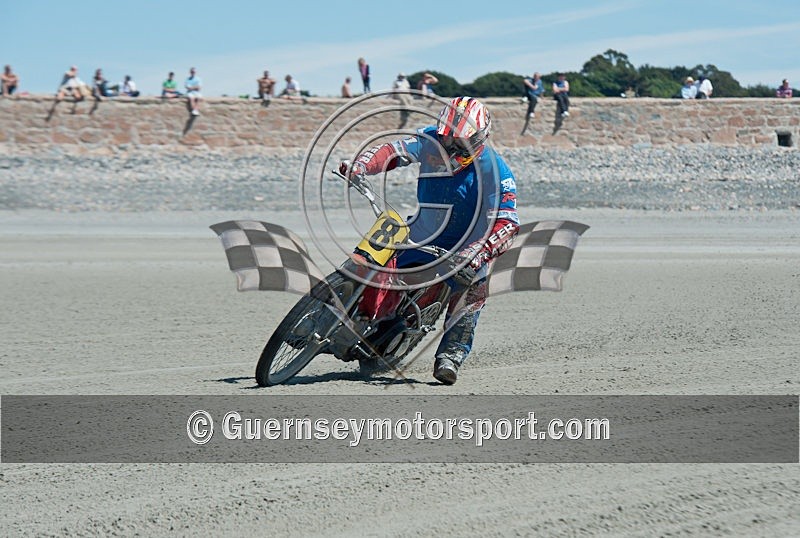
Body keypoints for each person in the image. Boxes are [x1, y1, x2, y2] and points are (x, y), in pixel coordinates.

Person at [338, 96, 520, 385]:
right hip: (419, 232)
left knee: (475, 288)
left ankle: (451, 354)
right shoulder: (427, 139)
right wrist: (361, 165)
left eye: (461, 144)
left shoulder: (497, 171)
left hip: (465, 249)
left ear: (481, 137)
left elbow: (508, 221)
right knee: (373, 249)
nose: (451, 149)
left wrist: (477, 253)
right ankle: (336, 308)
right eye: (448, 142)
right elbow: (392, 150)